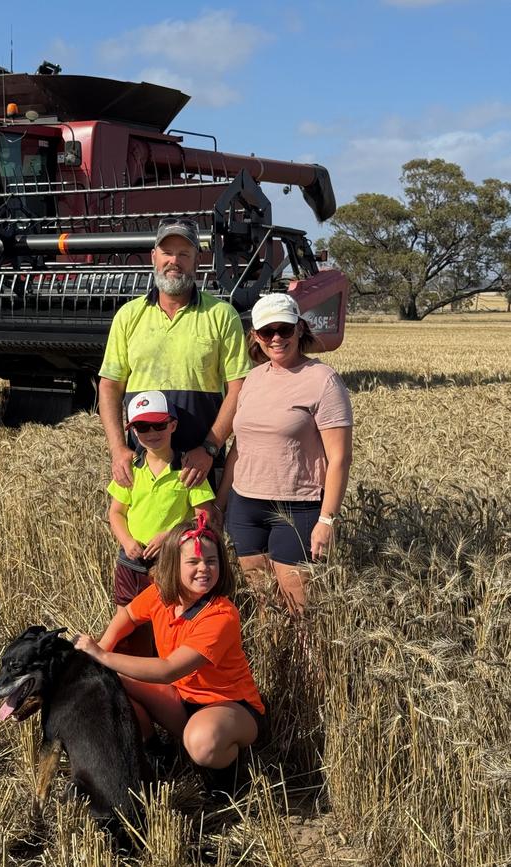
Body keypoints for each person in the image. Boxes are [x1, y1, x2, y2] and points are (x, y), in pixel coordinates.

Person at [75, 515, 265, 797]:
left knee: (202, 742)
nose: (204, 569)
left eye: (211, 561)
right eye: (193, 562)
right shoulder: (162, 595)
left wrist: (101, 654)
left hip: (231, 709)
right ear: (173, 565)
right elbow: (128, 614)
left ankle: (228, 783)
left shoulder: (221, 615)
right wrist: (106, 642)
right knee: (108, 680)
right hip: (182, 701)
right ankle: (156, 751)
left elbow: (168, 670)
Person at [215, 293, 353, 614]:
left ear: (300, 329)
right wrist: (221, 504)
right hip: (245, 507)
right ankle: (270, 664)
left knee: (298, 609)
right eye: (267, 332)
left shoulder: (323, 381)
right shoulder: (252, 379)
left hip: (298, 507)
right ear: (256, 336)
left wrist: (327, 520)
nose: (276, 338)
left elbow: (340, 459)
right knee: (265, 605)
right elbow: (239, 448)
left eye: (285, 330)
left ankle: (306, 665)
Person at [98, 217, 251, 491]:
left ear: (197, 261)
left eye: (184, 254)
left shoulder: (221, 316)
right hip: (143, 466)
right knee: (140, 534)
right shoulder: (128, 316)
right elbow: (110, 386)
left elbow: (239, 387)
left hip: (200, 468)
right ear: (153, 257)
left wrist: (209, 448)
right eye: (167, 253)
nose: (174, 261)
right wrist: (118, 449)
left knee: (202, 534)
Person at [108, 389, 214, 653]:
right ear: (132, 431)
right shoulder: (130, 469)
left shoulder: (188, 469)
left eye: (159, 425)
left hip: (170, 563)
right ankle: (128, 679)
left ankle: (166, 684)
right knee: (127, 628)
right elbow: (115, 513)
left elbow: (205, 516)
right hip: (130, 562)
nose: (152, 433)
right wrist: (127, 541)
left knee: (168, 628)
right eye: (142, 427)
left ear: (173, 425)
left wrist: (171, 536)